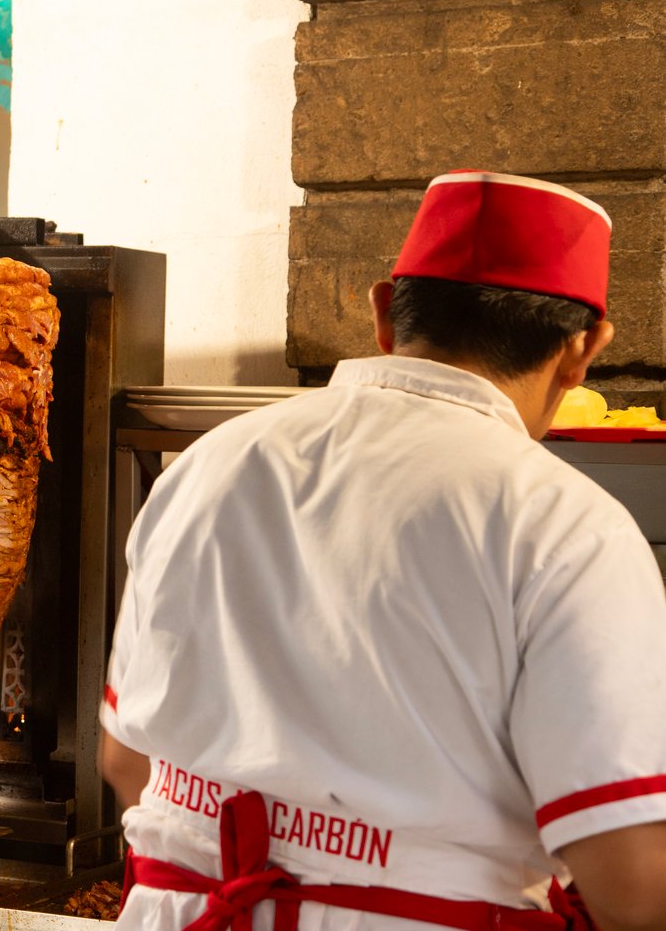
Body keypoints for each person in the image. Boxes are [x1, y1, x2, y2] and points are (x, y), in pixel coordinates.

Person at [100, 171, 666, 931]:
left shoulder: (206, 465)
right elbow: (631, 885)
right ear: (583, 350)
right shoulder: (567, 523)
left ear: (382, 313)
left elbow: (126, 763)